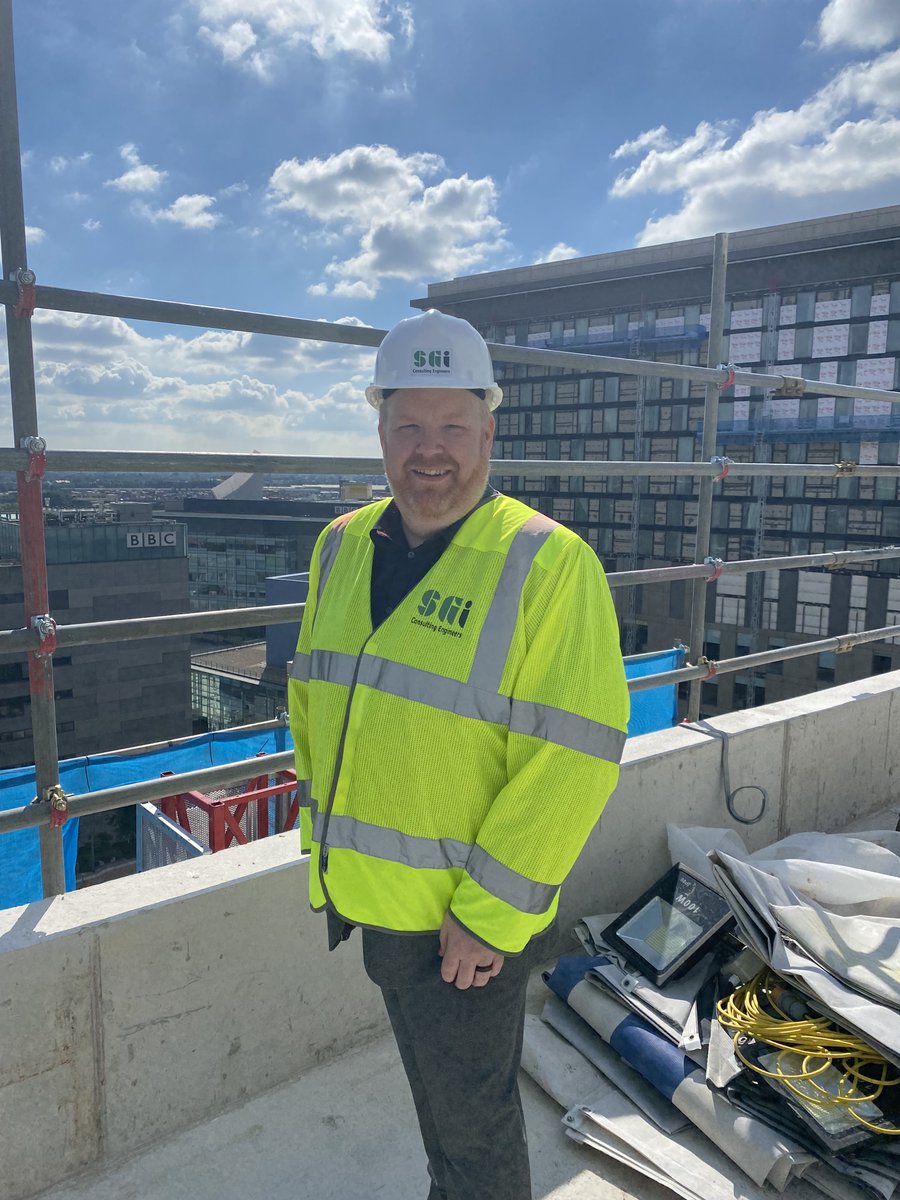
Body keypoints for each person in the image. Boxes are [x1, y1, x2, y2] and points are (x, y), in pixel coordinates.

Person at [288, 308, 629, 1200]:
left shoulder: (548, 565)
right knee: (443, 1122)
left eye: (451, 426)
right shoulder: (339, 547)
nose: (428, 450)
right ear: (380, 429)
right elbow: (313, 700)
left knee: (474, 1143)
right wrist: (321, 842)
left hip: (463, 927)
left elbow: (574, 758)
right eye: (408, 425)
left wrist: (489, 915)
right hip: (371, 900)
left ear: (489, 427)